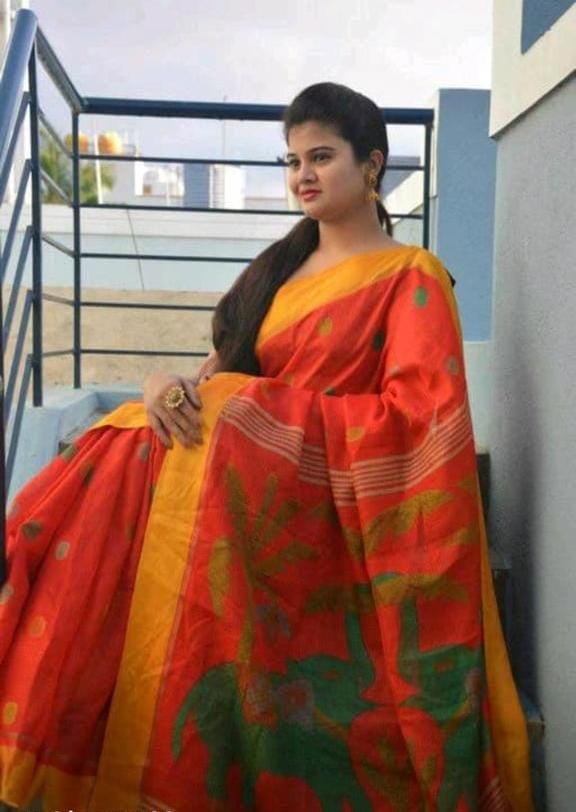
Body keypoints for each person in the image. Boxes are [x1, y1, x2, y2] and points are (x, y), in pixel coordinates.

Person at [0, 82, 533, 811]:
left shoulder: (412, 278)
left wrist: (257, 413)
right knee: (113, 447)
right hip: (244, 470)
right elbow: (213, 379)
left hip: (321, 495)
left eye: (322, 156)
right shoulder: (276, 273)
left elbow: (420, 423)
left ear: (372, 165)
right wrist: (160, 385)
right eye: (292, 161)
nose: (302, 175)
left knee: (144, 454)